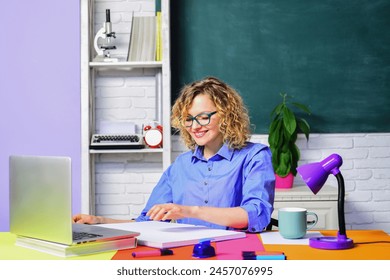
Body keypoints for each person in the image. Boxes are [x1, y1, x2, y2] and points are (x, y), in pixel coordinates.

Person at [74, 76, 275, 232]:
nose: (195, 126)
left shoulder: (254, 156)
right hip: (187, 255)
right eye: (188, 119)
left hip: (236, 255)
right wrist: (100, 222)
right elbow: (147, 222)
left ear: (226, 116)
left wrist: (189, 210)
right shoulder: (181, 165)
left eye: (204, 117)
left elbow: (257, 215)